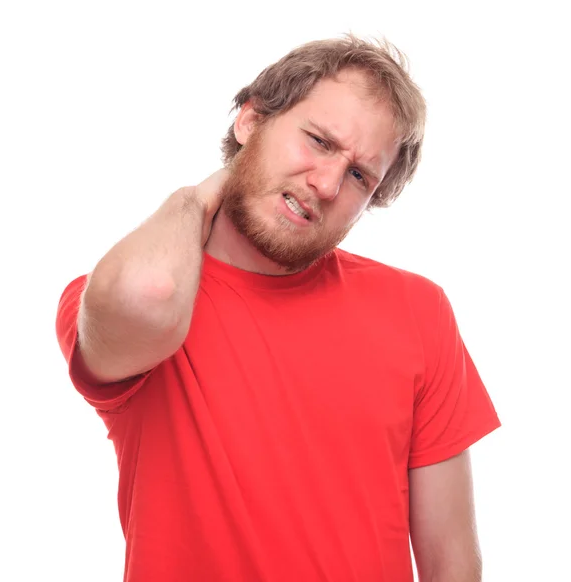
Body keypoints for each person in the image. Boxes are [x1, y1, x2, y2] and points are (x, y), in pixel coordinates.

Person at [56, 35, 500, 582]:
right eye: (317, 141)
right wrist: (203, 194)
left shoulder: (417, 310)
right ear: (251, 121)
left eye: (361, 176)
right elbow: (148, 295)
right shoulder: (103, 297)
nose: (328, 183)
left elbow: (451, 560)